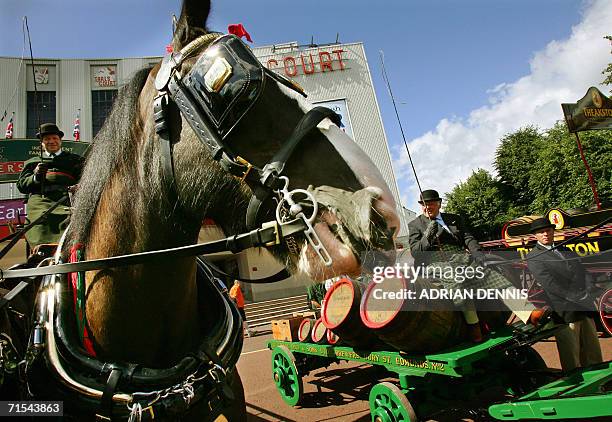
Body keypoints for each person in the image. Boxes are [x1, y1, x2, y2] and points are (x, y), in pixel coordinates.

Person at [408, 189, 541, 342]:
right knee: (455, 279)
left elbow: (468, 238)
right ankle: (474, 326)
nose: (427, 207)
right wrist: (428, 235)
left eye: (431, 204)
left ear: (439, 204)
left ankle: (529, 312)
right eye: (424, 205)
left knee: (492, 275)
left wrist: (478, 254)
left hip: (461, 258)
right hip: (435, 263)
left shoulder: (453, 219)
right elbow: (416, 252)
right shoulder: (415, 225)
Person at [526, 217, 603, 372]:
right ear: (535, 236)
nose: (545, 234)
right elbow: (550, 285)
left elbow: (582, 270)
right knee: (571, 354)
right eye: (541, 232)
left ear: (553, 231)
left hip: (584, 306)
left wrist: (588, 290)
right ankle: (576, 384)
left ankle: (599, 376)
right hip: (564, 311)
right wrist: (576, 296)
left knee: (592, 349)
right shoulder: (534, 256)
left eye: (548, 230)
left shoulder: (565, 248)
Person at [16, 123, 84, 251]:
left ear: (60, 141)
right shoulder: (32, 162)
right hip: (40, 202)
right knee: (39, 222)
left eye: (55, 138)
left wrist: (79, 187)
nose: (51, 141)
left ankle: (72, 252)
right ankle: (41, 253)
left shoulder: (75, 160)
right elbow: (21, 185)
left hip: (66, 200)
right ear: (41, 143)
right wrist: (36, 176)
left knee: (74, 220)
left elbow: (86, 180)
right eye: (47, 139)